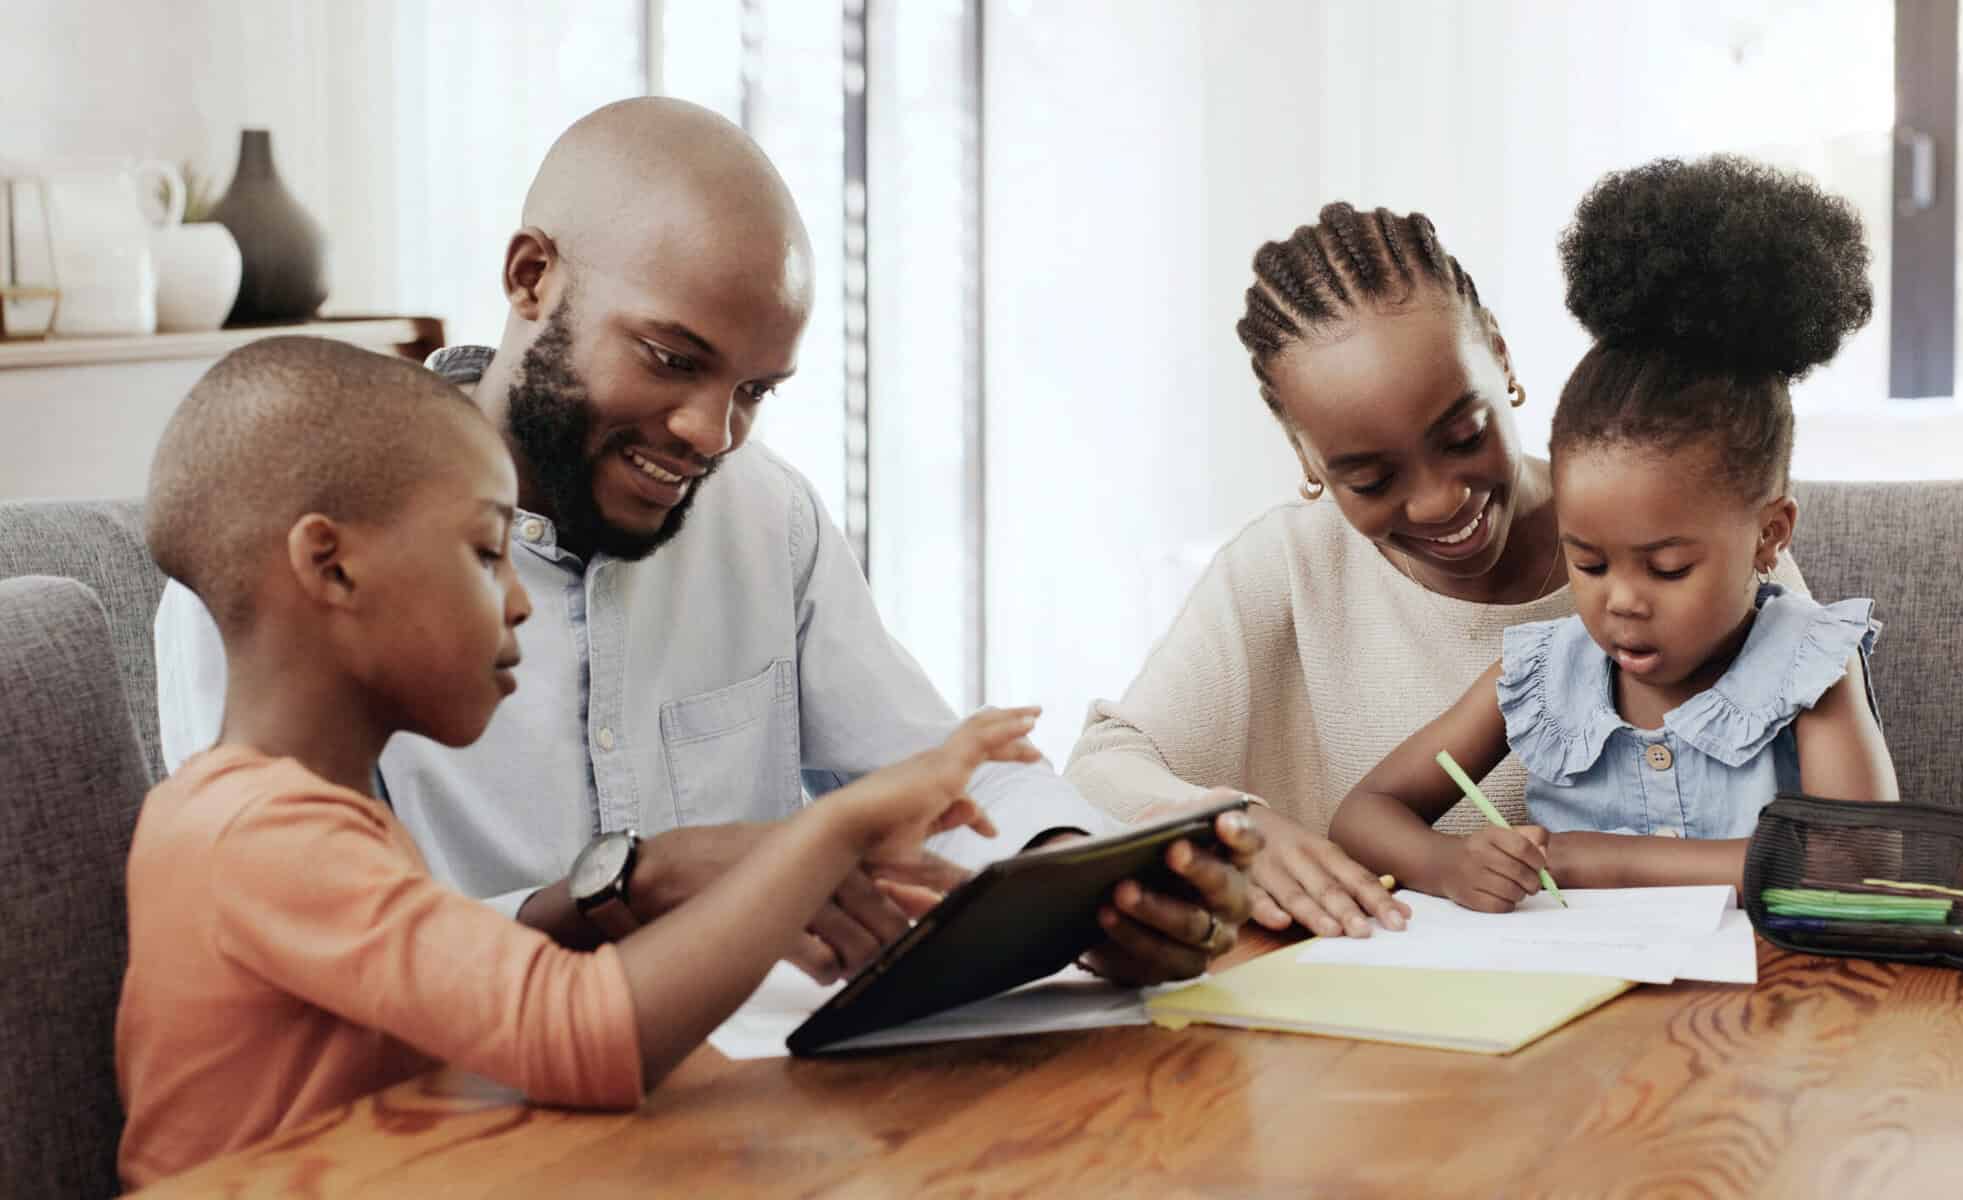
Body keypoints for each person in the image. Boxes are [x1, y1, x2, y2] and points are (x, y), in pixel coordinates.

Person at [153, 98, 1256, 988]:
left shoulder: (761, 514)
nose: (710, 436)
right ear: (532, 277)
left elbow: (925, 785)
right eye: (674, 360)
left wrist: (1072, 884)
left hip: (742, 1105)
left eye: (755, 392)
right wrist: (634, 884)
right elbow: (302, 939)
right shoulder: (301, 569)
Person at [118, 337, 1051, 1187]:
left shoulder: (293, 820)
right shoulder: (264, 840)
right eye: (486, 553)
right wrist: (832, 828)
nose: (521, 604)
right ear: (332, 568)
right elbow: (582, 1032)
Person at [1066, 201, 1810, 938]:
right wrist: (1230, 822)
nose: (1437, 502)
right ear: (1305, 457)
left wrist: (1590, 862)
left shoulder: (1684, 529)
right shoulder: (1288, 567)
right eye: (1368, 479)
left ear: (1500, 356)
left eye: (1462, 436)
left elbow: (1834, 825)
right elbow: (1102, 765)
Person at [1330, 155, 1901, 911]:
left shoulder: (1805, 669)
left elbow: (1855, 861)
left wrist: (1598, 861)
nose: (1620, 601)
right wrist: (1444, 863)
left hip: (1765, 1006)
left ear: (1769, 535)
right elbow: (1363, 814)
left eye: (1665, 568)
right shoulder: (1538, 678)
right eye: (1587, 561)